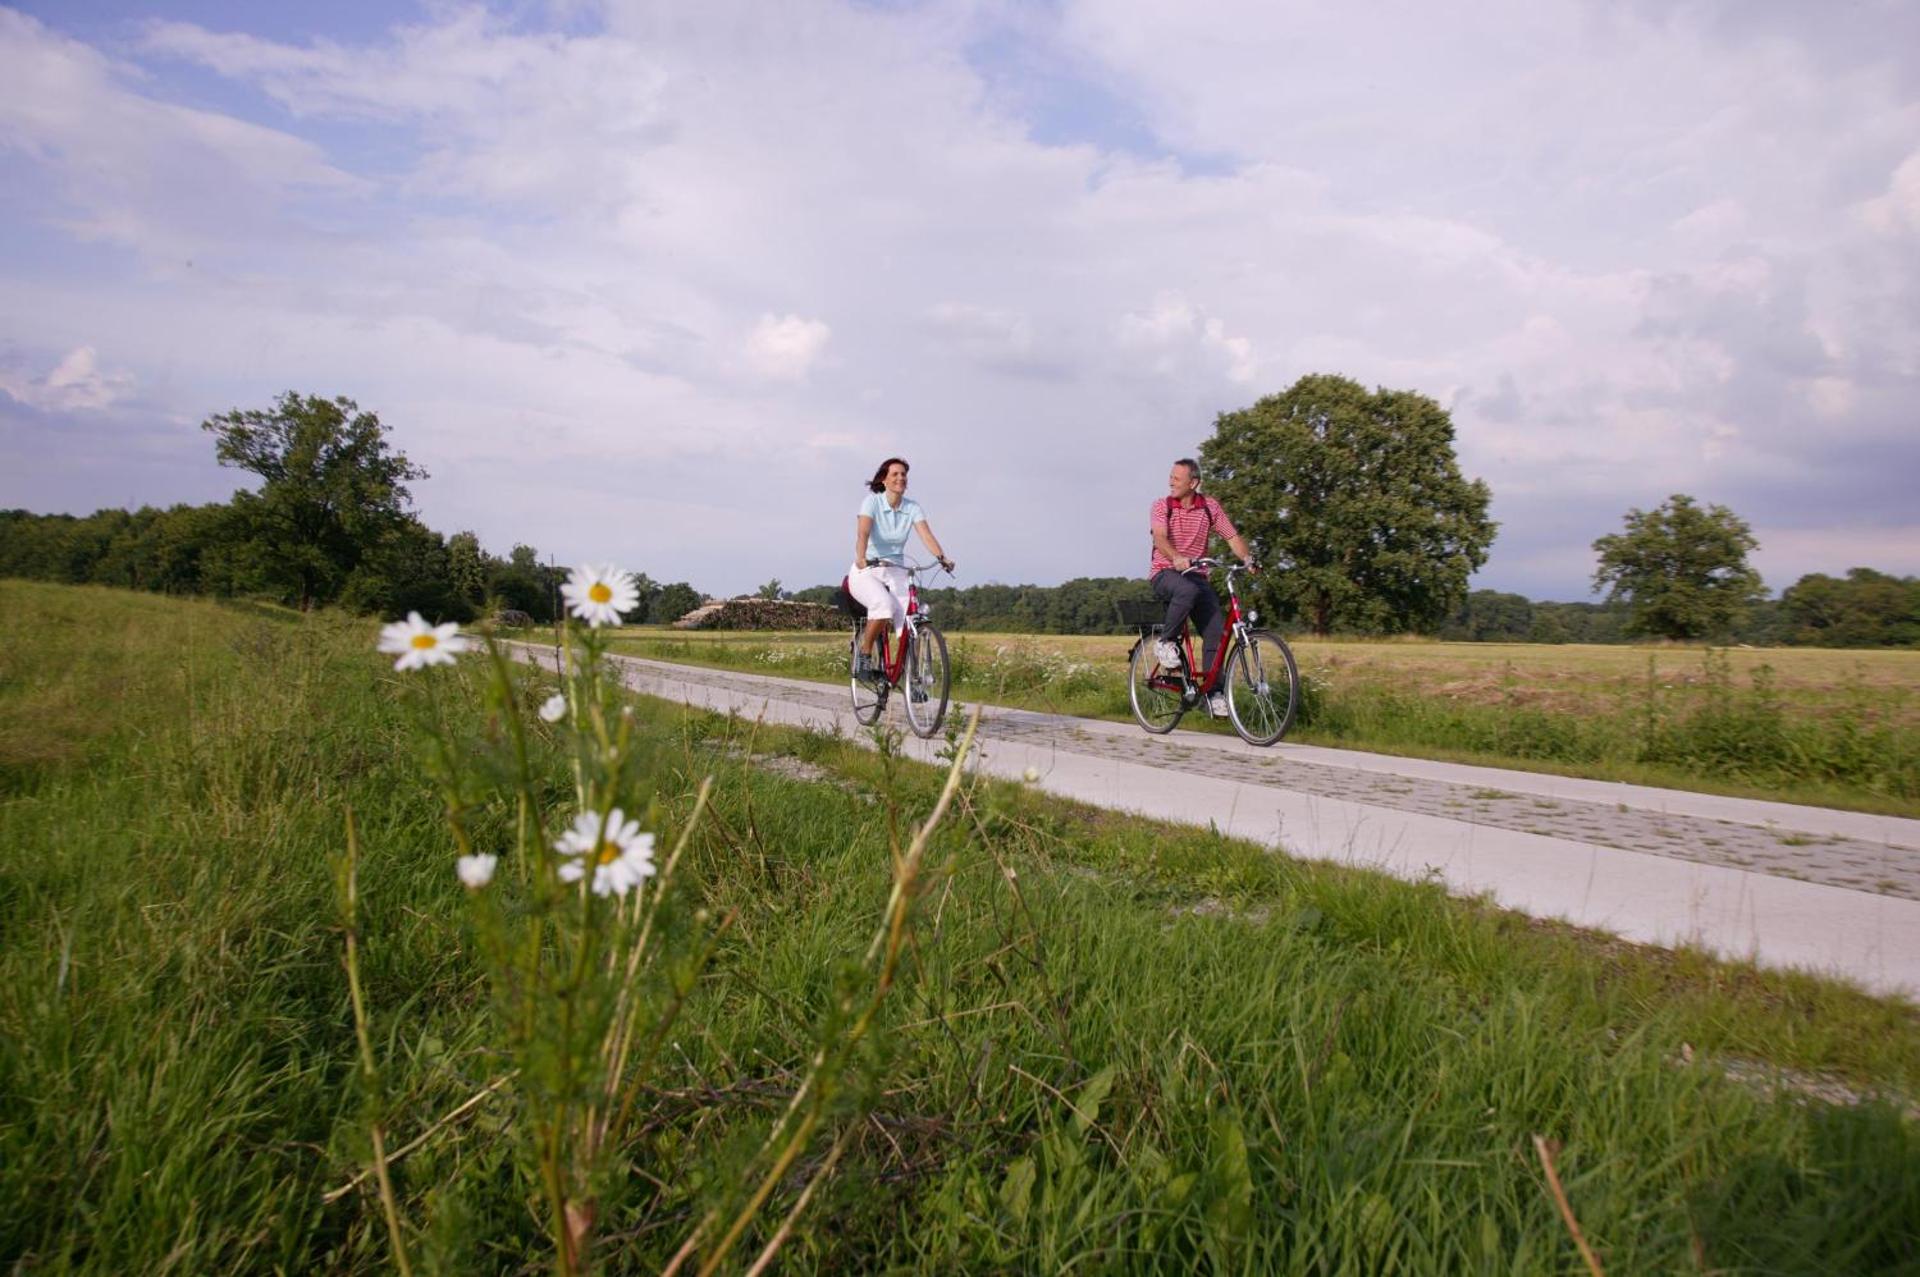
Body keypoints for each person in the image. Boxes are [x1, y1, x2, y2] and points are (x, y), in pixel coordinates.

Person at [1149, 458, 1255, 716]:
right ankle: (1165, 643)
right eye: (1171, 476)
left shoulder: (1210, 507)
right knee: (1186, 590)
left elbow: (1232, 537)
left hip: (1196, 576)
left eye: (1177, 478)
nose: (1170, 482)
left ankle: (1213, 693)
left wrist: (1248, 559)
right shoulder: (1162, 506)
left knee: (1216, 630)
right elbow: (1160, 537)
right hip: (1165, 572)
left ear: (1193, 482)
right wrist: (1176, 557)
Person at [849, 457, 954, 683]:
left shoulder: (912, 507)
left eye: (904, 474)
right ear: (884, 480)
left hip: (895, 568)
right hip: (868, 568)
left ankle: (912, 677)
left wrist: (942, 557)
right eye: (895, 474)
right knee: (883, 606)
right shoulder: (872, 502)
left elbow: (926, 535)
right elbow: (863, 533)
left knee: (911, 619)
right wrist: (861, 557)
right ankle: (865, 654)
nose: (900, 478)